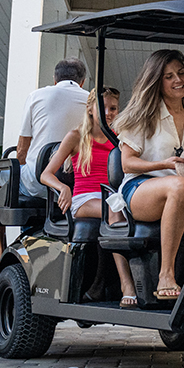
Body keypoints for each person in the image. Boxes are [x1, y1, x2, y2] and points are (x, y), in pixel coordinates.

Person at [112, 50, 184, 300]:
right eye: (169, 76)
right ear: (157, 81)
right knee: (179, 186)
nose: (178, 80)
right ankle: (166, 274)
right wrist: (162, 164)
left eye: (181, 73)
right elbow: (128, 164)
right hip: (142, 189)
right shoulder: (143, 115)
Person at [39, 87, 138, 308]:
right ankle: (127, 285)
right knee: (113, 209)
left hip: (114, 197)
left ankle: (107, 284)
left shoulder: (118, 138)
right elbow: (45, 174)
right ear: (90, 109)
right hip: (84, 198)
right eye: (103, 108)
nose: (109, 112)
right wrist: (63, 187)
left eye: (113, 108)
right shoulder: (76, 136)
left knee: (130, 208)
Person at [0, 58, 89, 270]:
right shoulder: (91, 101)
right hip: (75, 185)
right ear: (82, 81)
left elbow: (22, 149)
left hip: (40, 181)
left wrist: (21, 170)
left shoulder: (38, 96)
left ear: (55, 79)